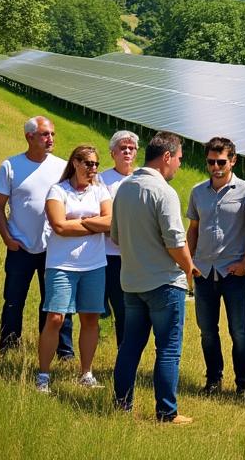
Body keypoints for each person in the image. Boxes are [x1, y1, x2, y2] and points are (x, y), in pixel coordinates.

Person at [111, 131, 197, 425]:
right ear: (167, 157)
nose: (179, 167)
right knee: (169, 350)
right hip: (164, 284)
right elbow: (175, 242)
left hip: (131, 283)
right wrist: (189, 268)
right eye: (180, 160)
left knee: (130, 347)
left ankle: (121, 406)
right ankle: (166, 413)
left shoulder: (124, 188)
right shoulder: (164, 192)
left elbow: (116, 236)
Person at [0, 116, 72, 357]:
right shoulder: (11, 166)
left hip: (53, 248)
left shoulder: (61, 167)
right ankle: (9, 347)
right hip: (20, 247)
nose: (51, 139)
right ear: (30, 137)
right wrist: (7, 238)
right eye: (45, 134)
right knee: (14, 300)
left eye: (52, 135)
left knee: (56, 303)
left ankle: (61, 352)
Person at [35, 144, 112, 392]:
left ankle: (86, 372)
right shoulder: (58, 191)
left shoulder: (100, 191)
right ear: (75, 163)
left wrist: (78, 222)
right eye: (88, 163)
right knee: (55, 318)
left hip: (94, 264)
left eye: (96, 164)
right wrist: (93, 223)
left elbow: (110, 222)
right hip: (62, 264)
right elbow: (59, 227)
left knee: (90, 318)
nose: (93, 169)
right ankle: (43, 375)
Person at [187, 137, 245, 396]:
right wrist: (189, 263)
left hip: (233, 273)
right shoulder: (197, 192)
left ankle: (243, 384)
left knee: (239, 332)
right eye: (211, 162)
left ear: (233, 160)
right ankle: (213, 380)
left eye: (221, 162)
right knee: (207, 331)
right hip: (204, 271)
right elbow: (193, 229)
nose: (216, 167)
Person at [99, 130, 139, 344]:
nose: (126, 152)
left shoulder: (142, 178)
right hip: (105, 253)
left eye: (131, 148)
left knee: (125, 307)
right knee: (97, 305)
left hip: (132, 255)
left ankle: (123, 349)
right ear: (112, 153)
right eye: (122, 148)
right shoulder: (101, 179)